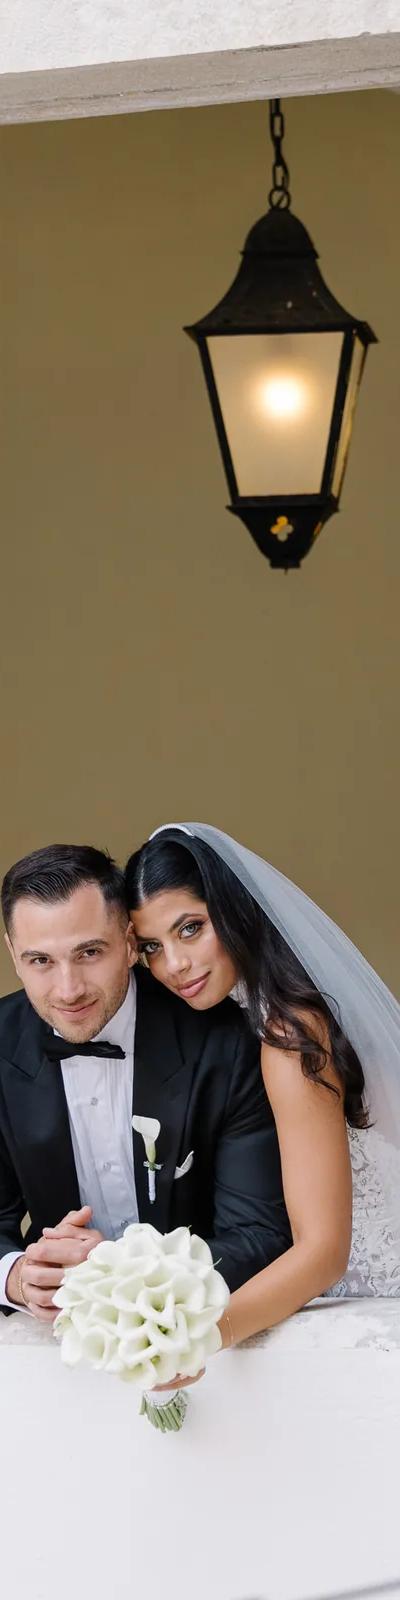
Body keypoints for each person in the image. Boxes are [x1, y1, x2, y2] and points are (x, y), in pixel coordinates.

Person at [126, 822, 400, 1348]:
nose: (174, 965)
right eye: (151, 948)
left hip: (372, 1300)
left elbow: (322, 1252)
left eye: (190, 928)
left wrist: (190, 1338)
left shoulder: (288, 1034)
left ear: (233, 910)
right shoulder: (247, 1021)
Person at [0, 843, 291, 1321]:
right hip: (56, 1343)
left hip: (207, 1330)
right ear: (13, 953)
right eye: (40, 961)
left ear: (131, 941)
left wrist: (120, 1276)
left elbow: (259, 1235)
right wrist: (14, 1277)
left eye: (89, 952)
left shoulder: (226, 1041)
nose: (68, 989)